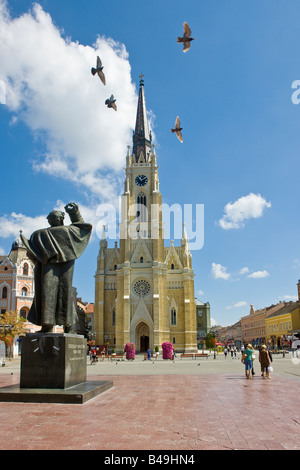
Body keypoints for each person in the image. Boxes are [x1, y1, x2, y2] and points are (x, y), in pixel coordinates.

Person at [21, 203, 92, 333]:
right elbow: (81, 229)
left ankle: (57, 326)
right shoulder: (51, 233)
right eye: (50, 217)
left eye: (52, 217)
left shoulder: (42, 234)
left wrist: (74, 213)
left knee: (56, 293)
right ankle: (58, 326)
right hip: (56, 266)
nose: (50, 219)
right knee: (57, 293)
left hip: (55, 267)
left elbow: (32, 252)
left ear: (58, 219)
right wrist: (74, 214)